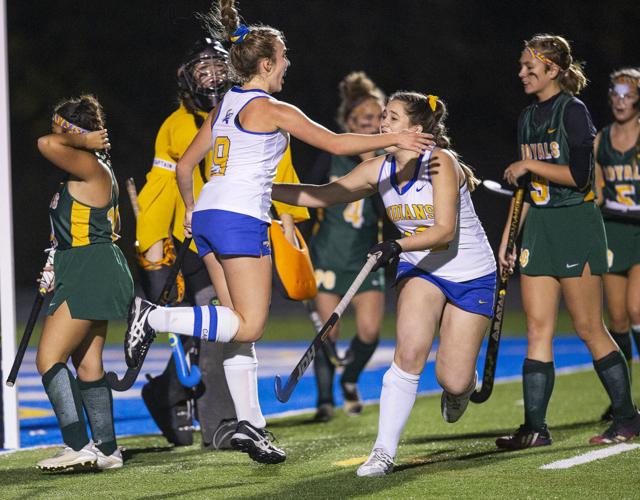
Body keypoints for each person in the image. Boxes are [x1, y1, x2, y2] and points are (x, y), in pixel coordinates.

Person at [123, 0, 432, 465]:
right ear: (266, 64)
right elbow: (336, 142)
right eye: (283, 57)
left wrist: (191, 209)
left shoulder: (225, 103)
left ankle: (252, 426)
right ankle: (152, 317)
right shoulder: (270, 108)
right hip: (241, 221)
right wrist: (395, 138)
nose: (288, 63)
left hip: (209, 216)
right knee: (250, 324)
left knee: (236, 333)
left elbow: (186, 165)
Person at [273, 91, 497, 477]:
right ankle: (382, 451)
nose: (382, 124)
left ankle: (463, 384)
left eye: (392, 118)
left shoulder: (441, 162)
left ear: (415, 129)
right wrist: (262, 190)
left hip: (470, 273)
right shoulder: (380, 168)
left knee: (453, 378)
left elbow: (443, 232)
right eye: (383, 117)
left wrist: (396, 243)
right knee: (408, 353)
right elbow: (323, 196)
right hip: (421, 268)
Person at [135, 38, 307, 449]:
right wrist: (154, 238)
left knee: (228, 329)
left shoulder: (244, 108)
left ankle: (223, 424)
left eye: (217, 68)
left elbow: (276, 167)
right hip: (190, 236)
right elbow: (165, 179)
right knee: (220, 328)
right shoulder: (176, 124)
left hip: (229, 229)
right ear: (187, 80)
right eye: (202, 71)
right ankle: (177, 395)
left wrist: (286, 216)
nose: (211, 78)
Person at [497, 34, 640, 450]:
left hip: (575, 224)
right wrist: (509, 239)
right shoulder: (526, 117)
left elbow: (580, 176)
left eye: (530, 66)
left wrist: (529, 162)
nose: (522, 72)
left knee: (587, 327)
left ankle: (628, 417)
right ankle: (535, 428)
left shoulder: (573, 111)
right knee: (537, 329)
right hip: (539, 226)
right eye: (522, 66)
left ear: (553, 70)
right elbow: (526, 188)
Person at [35, 95, 133, 471]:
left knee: (48, 358)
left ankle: (77, 444)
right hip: (89, 266)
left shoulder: (89, 162)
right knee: (88, 364)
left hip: (90, 268)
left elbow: (45, 144)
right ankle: (107, 449)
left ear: (74, 131)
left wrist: (81, 141)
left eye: (60, 126)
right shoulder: (88, 167)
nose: (53, 131)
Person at [304, 71, 386, 422]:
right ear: (348, 123)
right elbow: (306, 197)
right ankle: (324, 401)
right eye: (364, 120)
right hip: (328, 256)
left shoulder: (389, 161)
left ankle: (349, 379)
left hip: (366, 259)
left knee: (369, 333)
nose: (372, 125)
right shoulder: (332, 156)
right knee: (328, 333)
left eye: (378, 119)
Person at [594, 67, 640, 420]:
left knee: (638, 309)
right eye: (616, 94)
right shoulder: (602, 139)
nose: (620, 101)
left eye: (628, 95)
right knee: (618, 319)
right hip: (613, 231)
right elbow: (596, 192)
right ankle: (623, 397)